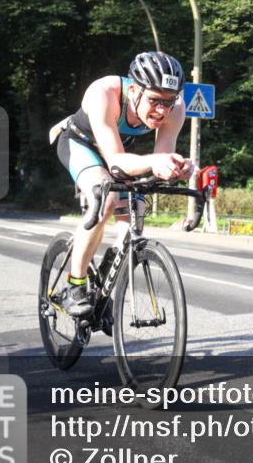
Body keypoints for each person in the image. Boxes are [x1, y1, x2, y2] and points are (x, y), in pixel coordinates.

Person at [50, 51, 195, 316]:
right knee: (105, 198)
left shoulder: (177, 108)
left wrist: (177, 168)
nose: (162, 110)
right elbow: (115, 162)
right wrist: (155, 162)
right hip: (80, 144)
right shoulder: (104, 93)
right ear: (135, 90)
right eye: (154, 100)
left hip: (120, 151)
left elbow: (161, 157)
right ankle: (75, 285)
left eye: (168, 101)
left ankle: (103, 289)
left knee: (136, 212)